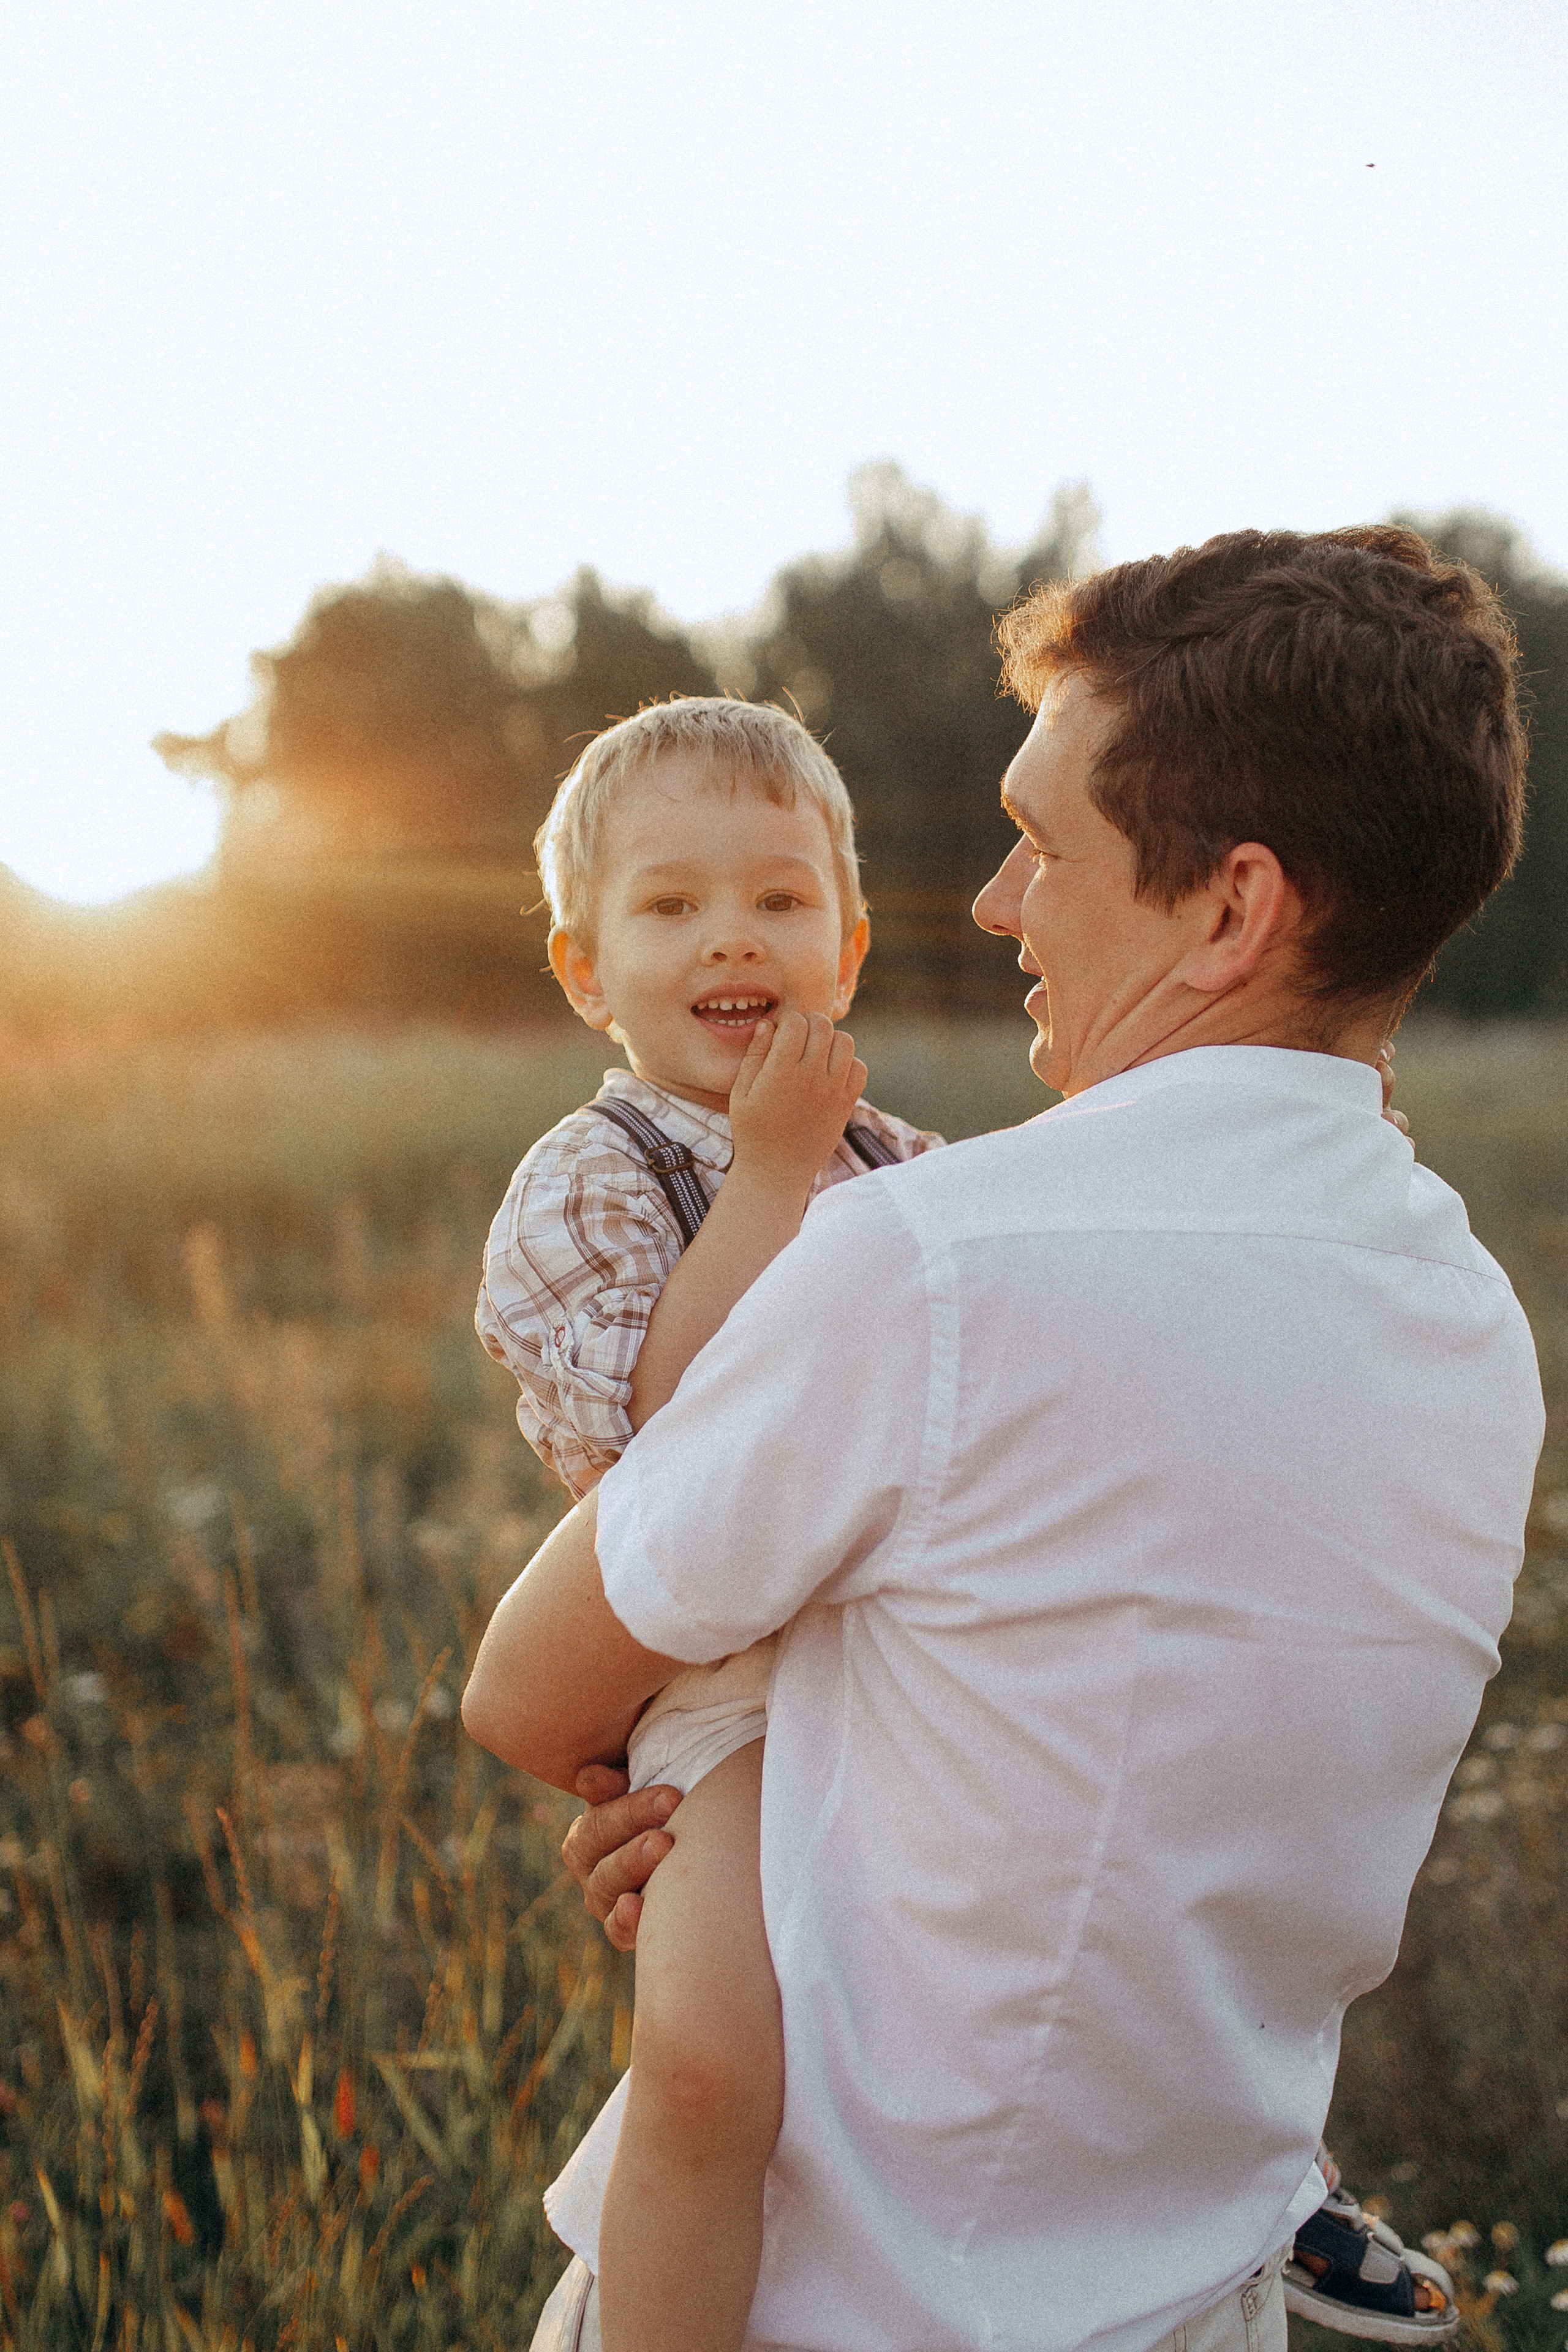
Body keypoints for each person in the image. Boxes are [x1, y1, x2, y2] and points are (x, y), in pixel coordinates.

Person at [465, 526, 1545, 2352]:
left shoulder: (936, 1259)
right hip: (1190, 2308)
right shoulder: (1478, 1330)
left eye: (1045, 843)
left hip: (837, 2305)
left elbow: (524, 1692)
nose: (992, 902)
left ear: (1232, 908)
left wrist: (707, 1809)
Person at [475, 698, 941, 2352]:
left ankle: (1265, 2178)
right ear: (588, 969)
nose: (732, 937)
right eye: (671, 905)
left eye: (779, 899)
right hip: (732, 1681)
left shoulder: (906, 1160)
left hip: (918, 1652)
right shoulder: (594, 1182)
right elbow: (675, 1446)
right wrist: (765, 1180)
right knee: (709, 2047)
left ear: (850, 940)